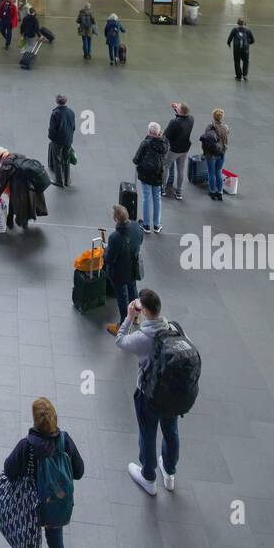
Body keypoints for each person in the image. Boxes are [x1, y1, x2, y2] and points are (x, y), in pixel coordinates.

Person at [4, 397, 85, 548]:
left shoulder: (26, 447)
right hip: (55, 508)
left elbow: (9, 470)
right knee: (56, 543)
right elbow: (79, 471)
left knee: (27, 540)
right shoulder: (65, 441)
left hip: (31, 509)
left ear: (34, 421)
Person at [116, 287, 179, 496]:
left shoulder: (143, 337)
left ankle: (149, 477)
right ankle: (169, 472)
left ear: (143, 311)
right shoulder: (174, 328)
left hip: (149, 394)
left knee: (148, 432)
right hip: (171, 393)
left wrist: (128, 317)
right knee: (171, 431)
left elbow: (120, 340)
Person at [104, 204, 144, 335]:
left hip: (120, 273)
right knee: (133, 289)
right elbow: (140, 240)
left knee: (122, 296)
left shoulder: (115, 237)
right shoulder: (137, 227)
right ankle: (136, 316)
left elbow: (109, 259)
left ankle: (122, 325)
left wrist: (105, 251)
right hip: (133, 268)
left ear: (116, 218)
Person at [0, 146, 49, 231]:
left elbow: (2, 184)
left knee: (20, 205)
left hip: (19, 189)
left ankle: (17, 222)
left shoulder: (6, 165)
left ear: (0, 158)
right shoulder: (19, 155)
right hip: (30, 185)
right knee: (27, 203)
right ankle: (11, 221)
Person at [133, 121, 169, 233]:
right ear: (159, 133)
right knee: (157, 198)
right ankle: (157, 225)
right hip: (158, 174)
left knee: (146, 197)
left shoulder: (146, 143)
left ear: (149, 132)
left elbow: (136, 159)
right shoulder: (164, 143)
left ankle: (146, 225)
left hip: (146, 174)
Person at [163, 101, 194, 200]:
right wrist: (176, 108)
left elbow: (166, 136)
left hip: (173, 150)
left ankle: (162, 189)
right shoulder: (191, 119)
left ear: (180, 111)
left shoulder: (174, 122)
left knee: (165, 167)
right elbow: (183, 116)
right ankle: (179, 192)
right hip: (184, 149)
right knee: (180, 170)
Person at [200, 106, 230, 201]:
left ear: (214, 116)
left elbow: (206, 139)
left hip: (211, 154)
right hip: (221, 153)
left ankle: (212, 191)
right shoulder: (226, 128)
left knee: (211, 173)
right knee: (218, 172)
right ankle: (220, 192)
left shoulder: (210, 127)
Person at [48, 94, 75, 188]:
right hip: (68, 140)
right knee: (66, 159)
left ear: (57, 101)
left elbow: (52, 129)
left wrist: (51, 138)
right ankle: (67, 181)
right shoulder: (71, 112)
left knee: (57, 160)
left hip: (58, 141)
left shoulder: (55, 113)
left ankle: (59, 181)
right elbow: (73, 127)